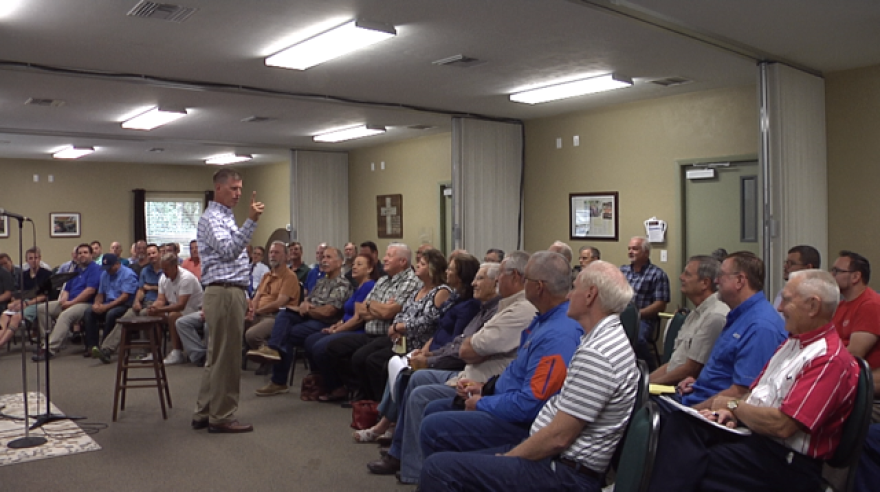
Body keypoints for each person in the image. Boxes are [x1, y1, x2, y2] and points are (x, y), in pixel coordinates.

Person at [420, 260, 638, 492]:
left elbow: (559, 438)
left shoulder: (597, 354)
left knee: (439, 468)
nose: (568, 295)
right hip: (557, 457)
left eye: (574, 288)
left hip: (565, 472)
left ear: (590, 296)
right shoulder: (602, 338)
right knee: (446, 454)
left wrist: (508, 458)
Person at [647, 269, 859, 492]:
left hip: (788, 463)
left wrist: (733, 406)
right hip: (758, 439)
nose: (779, 307)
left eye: (786, 300)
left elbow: (783, 425)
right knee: (680, 425)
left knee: (688, 458)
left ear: (813, 306)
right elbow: (756, 392)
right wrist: (729, 412)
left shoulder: (828, 359)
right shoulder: (793, 343)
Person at [368, 253, 535, 480]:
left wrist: (432, 358)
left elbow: (467, 348)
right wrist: (435, 352)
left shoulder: (517, 310)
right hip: (466, 369)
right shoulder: (488, 306)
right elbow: (463, 342)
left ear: (515, 277)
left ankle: (411, 465)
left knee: (417, 387)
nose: (481, 283)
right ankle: (402, 451)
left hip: (478, 378)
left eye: (487, 278)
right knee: (410, 376)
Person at [416, 251, 585, 474]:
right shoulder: (543, 319)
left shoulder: (558, 335)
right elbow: (515, 371)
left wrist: (482, 403)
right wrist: (485, 389)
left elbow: (531, 403)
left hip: (521, 425)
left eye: (527, 280)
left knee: (433, 428)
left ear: (539, 287)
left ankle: (452, 474)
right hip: (502, 398)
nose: (523, 284)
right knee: (435, 409)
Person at [191, 168, 263, 434]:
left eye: (240, 189)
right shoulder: (212, 219)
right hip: (223, 293)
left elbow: (235, 263)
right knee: (228, 357)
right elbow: (231, 252)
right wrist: (251, 222)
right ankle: (221, 416)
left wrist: (245, 294)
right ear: (218, 188)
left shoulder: (226, 218)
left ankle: (205, 411)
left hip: (230, 290)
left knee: (217, 356)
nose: (238, 194)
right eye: (233, 189)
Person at [676, 251, 787, 410]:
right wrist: (700, 382)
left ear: (740, 280)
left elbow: (741, 393)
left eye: (721, 275)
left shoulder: (760, 326)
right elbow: (725, 373)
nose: (716, 280)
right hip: (697, 396)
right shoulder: (739, 315)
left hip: (708, 414)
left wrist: (690, 412)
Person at [250, 246, 352, 397]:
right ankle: (273, 349)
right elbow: (308, 300)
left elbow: (329, 311)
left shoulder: (342, 284)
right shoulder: (321, 281)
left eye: (329, 257)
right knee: (284, 314)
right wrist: (304, 305)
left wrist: (308, 309)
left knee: (289, 334)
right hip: (309, 315)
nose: (324, 260)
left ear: (340, 262)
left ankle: (278, 380)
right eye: (323, 257)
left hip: (325, 322)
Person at [325, 243, 421, 401]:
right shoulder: (383, 280)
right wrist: (377, 307)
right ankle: (356, 388)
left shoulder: (410, 282)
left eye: (390, 256)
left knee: (362, 358)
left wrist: (376, 307)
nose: (384, 259)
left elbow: (388, 312)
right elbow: (361, 309)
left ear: (403, 261)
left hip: (387, 336)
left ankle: (372, 400)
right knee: (333, 347)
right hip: (368, 332)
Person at [308, 253, 381, 401]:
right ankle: (325, 383)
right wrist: (336, 325)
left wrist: (336, 331)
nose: (354, 266)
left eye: (359, 264)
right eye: (354, 264)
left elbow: (357, 319)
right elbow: (347, 314)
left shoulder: (368, 286)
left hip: (357, 330)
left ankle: (339, 387)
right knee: (311, 340)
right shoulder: (358, 287)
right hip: (346, 326)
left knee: (321, 347)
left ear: (369, 269)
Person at [650, 255, 728, 385]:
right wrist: (644, 384)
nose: (681, 277)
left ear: (705, 283)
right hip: (670, 382)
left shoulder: (714, 316)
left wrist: (648, 388)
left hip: (683, 389)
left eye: (687, 274)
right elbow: (674, 363)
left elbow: (691, 370)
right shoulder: (696, 313)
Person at [33, 243, 102, 361]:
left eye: (85, 252)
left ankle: (50, 350)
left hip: (85, 304)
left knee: (66, 315)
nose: (82, 255)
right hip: (70, 302)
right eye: (79, 253)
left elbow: (90, 291)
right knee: (41, 309)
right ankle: (46, 343)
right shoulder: (75, 270)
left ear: (91, 255)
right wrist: (64, 299)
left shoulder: (95, 269)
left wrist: (71, 303)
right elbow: (66, 289)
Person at [620, 236, 670, 369]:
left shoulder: (657, 274)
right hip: (619, 316)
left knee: (638, 339)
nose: (631, 252)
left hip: (643, 319)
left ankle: (650, 371)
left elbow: (660, 304)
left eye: (635, 249)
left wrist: (635, 315)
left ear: (646, 252)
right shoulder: (622, 271)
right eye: (629, 249)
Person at [149, 253, 204, 365]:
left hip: (194, 311)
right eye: (162, 268)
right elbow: (161, 299)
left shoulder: (186, 278)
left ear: (175, 267)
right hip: (175, 310)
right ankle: (156, 350)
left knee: (173, 315)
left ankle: (177, 352)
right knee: (154, 315)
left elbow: (181, 305)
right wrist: (154, 307)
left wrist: (160, 310)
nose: (164, 272)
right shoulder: (163, 278)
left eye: (166, 269)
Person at [830, 250, 880, 367]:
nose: (831, 276)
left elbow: (854, 354)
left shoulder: (870, 305)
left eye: (836, 271)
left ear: (855, 277)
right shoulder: (840, 306)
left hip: (859, 377)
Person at [82, 253, 138, 356]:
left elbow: (124, 297)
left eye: (110, 267)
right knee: (89, 312)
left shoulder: (128, 274)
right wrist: (97, 304)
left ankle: (105, 347)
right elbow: (100, 293)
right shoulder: (105, 274)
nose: (108, 270)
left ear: (117, 264)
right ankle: (92, 346)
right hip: (108, 302)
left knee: (111, 314)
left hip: (124, 304)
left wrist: (106, 307)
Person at [0, 247, 52, 346]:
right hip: (22, 302)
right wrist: (13, 302)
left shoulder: (46, 274)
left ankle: (1, 343)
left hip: (36, 302)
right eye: (30, 258)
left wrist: (27, 303)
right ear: (26, 260)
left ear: (40, 258)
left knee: (16, 317)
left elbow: (44, 295)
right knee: (4, 316)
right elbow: (18, 292)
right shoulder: (23, 275)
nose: (33, 260)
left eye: (35, 258)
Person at [773, 245, 821, 311]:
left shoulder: (816, 297)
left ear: (808, 268)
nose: (785, 266)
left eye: (791, 263)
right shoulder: (782, 292)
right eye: (786, 262)